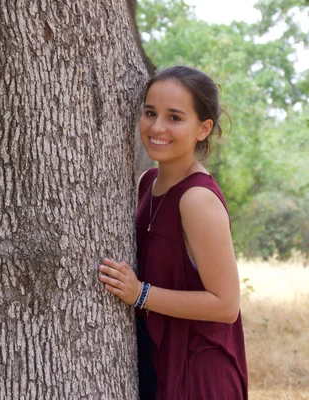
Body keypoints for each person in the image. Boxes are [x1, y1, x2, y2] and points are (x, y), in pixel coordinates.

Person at [98, 65, 248, 399]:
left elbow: (226, 305)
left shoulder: (197, 199)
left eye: (175, 118)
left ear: (203, 129)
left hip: (200, 373)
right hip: (158, 363)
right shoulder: (146, 183)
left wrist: (140, 293)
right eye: (150, 113)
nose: (156, 127)